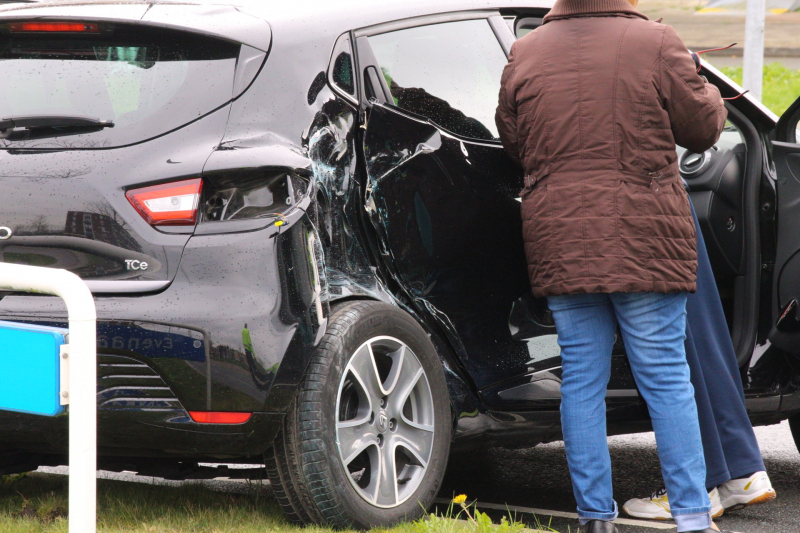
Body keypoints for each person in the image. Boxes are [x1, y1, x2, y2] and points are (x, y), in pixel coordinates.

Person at [495, 0, 728, 532]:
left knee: (581, 379)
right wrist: (704, 84)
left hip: (563, 236)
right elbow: (703, 129)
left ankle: (594, 518)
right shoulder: (657, 41)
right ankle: (693, 517)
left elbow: (516, 144)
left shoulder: (525, 52)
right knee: (666, 378)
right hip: (645, 238)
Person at [622, 203, 776, 520]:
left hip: (632, 202)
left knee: (669, 352)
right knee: (702, 330)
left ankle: (696, 487)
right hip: (671, 200)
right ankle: (741, 470)